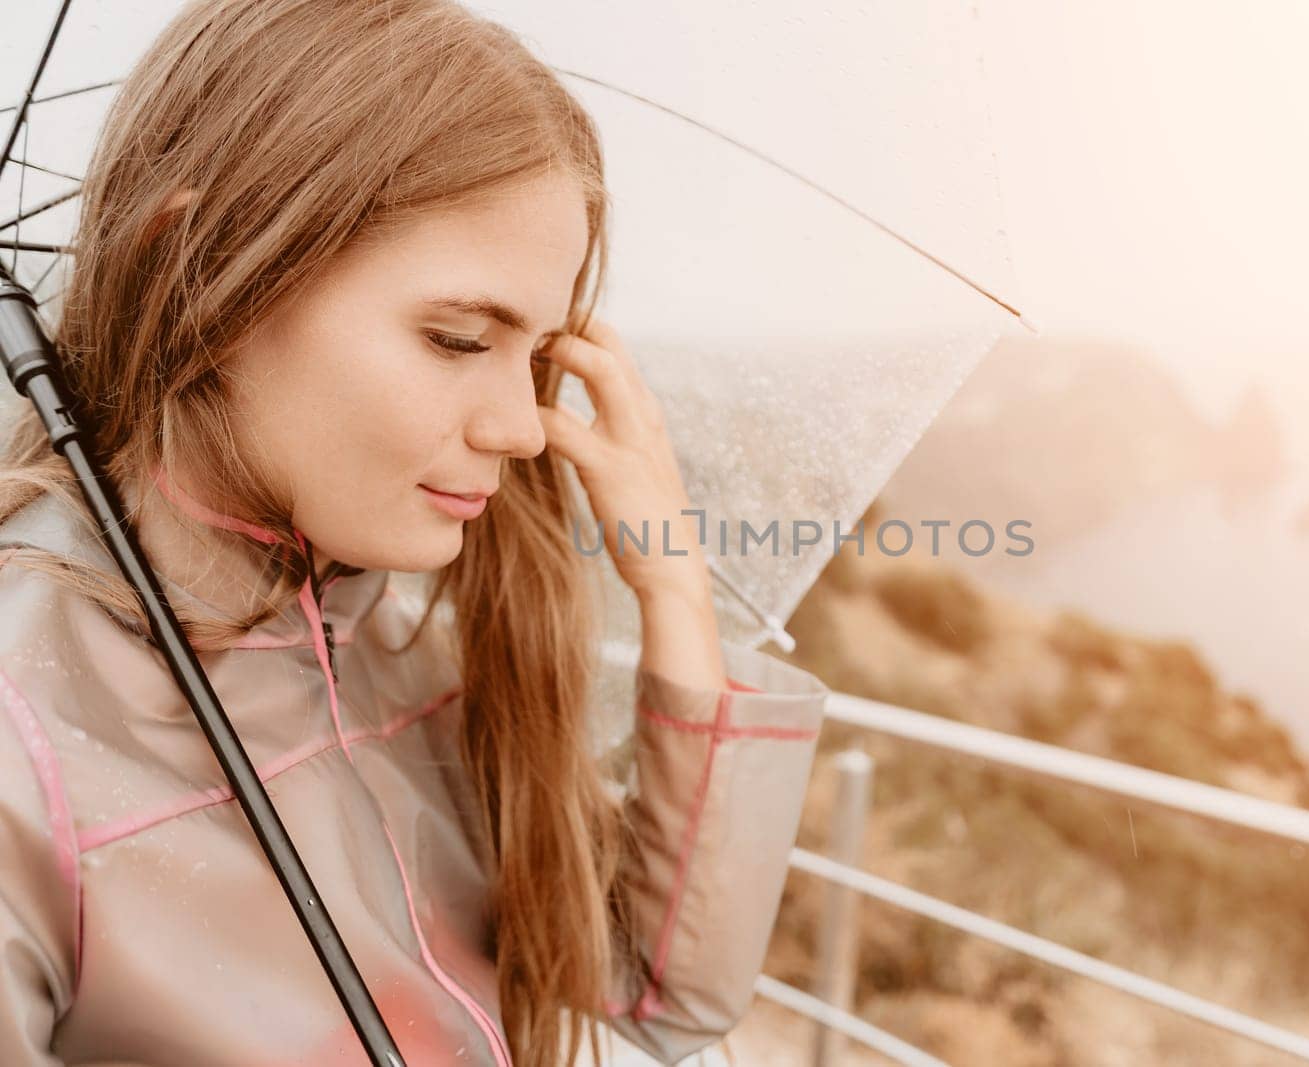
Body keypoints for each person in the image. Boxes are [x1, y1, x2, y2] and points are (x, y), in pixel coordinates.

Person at [0, 1, 828, 1064]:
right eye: (457, 338)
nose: (523, 426)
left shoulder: (389, 638)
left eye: (532, 352)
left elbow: (654, 987)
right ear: (200, 270)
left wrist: (673, 591)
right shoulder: (26, 746)